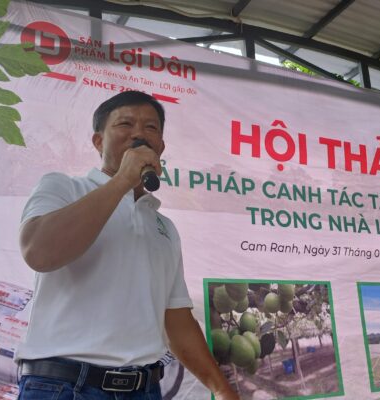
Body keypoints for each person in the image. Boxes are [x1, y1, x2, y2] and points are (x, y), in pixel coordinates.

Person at [16, 91, 238, 400]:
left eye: (151, 128)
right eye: (125, 124)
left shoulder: (164, 228)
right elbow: (39, 251)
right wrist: (121, 181)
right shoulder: (62, 187)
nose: (138, 134)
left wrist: (222, 388)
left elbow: (176, 320)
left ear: (160, 147)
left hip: (144, 390)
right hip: (65, 386)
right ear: (98, 141)